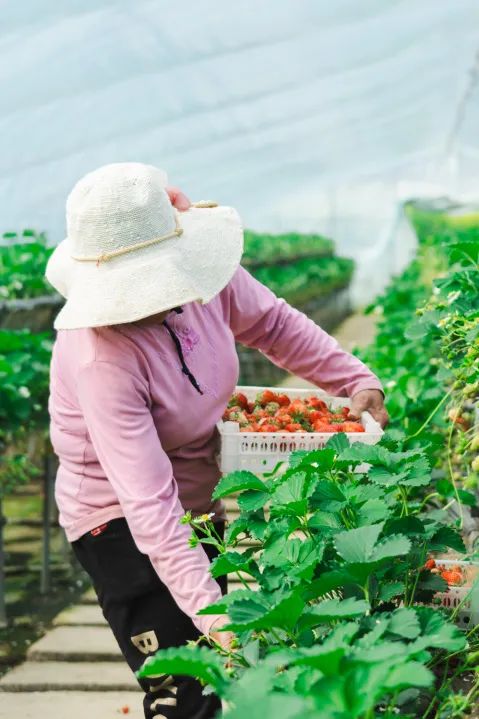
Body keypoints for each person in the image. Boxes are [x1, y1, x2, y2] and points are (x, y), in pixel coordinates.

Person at [46, 162, 388, 719]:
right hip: (120, 524)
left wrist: (354, 380)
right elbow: (148, 504)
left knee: (218, 680)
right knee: (185, 691)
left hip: (200, 503)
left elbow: (273, 324)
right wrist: (216, 618)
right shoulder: (100, 360)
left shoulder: (201, 275)